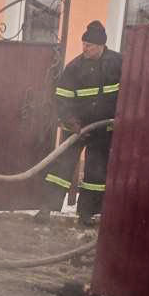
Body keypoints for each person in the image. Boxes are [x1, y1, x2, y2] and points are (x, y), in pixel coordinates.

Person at [44, 20, 121, 226]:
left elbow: (127, 92)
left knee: (96, 172)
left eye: (90, 46)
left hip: (104, 128)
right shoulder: (74, 68)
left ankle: (87, 214)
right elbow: (62, 97)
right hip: (77, 127)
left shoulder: (117, 63)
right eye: (83, 44)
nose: (85, 49)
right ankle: (46, 209)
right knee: (63, 166)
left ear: (102, 46)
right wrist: (71, 122)